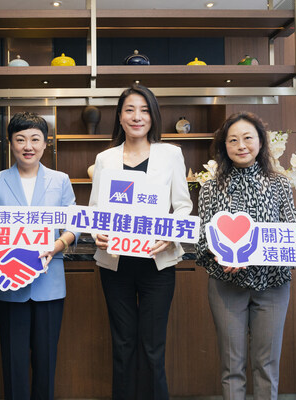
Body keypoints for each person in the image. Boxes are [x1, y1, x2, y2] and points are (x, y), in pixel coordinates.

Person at [195, 111, 296, 400]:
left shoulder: (279, 184)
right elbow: (203, 236)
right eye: (233, 140)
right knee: (232, 365)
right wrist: (218, 254)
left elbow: (295, 228)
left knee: (266, 365)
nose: (241, 145)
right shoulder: (210, 187)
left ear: (260, 142)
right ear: (224, 147)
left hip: (273, 283)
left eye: (248, 138)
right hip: (226, 285)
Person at [89, 84, 193, 400]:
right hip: (115, 264)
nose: (137, 116)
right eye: (130, 110)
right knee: (122, 345)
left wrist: (171, 232)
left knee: (152, 346)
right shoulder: (105, 158)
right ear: (119, 117)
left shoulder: (171, 153)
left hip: (157, 265)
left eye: (144, 110)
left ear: (153, 116)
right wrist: (98, 234)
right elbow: (95, 210)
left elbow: (184, 205)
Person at [0, 111, 77, 400]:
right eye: (20, 139)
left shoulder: (61, 180)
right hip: (8, 282)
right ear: (11, 143)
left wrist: (58, 245)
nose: (28, 146)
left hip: (49, 283)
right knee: (13, 360)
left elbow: (73, 227)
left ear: (45, 144)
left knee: (46, 361)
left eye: (34, 139)